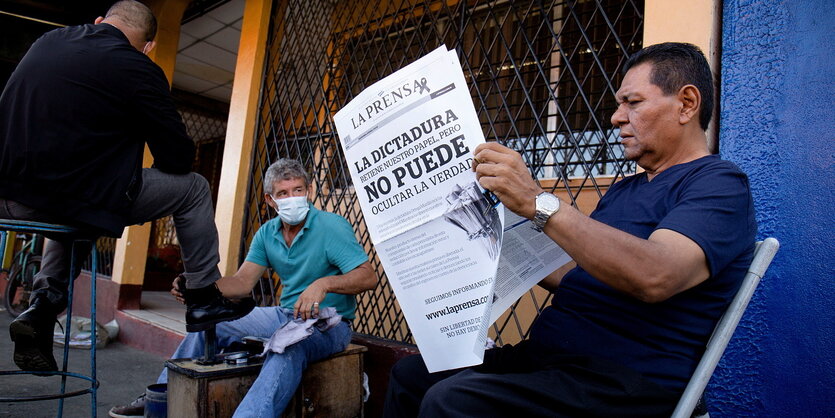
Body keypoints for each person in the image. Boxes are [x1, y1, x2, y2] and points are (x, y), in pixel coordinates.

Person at [383, 42, 757, 417]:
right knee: (413, 375)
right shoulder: (626, 188)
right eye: (618, 104)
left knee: (453, 401)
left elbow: (656, 273)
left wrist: (538, 202)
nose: (616, 117)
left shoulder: (718, 184)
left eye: (633, 102)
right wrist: (486, 236)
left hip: (624, 382)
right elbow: (580, 274)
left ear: (687, 104)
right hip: (553, 361)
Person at [0, 1, 253, 373]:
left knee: (78, 209)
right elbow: (178, 158)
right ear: (148, 45)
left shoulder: (47, 41)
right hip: (70, 195)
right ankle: (202, 295)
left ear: (100, 21)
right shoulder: (139, 68)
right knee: (193, 188)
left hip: (8, 195)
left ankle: (41, 308)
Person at [109, 158, 377, 418]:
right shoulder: (267, 233)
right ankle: (162, 396)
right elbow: (241, 283)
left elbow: (367, 277)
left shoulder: (331, 226)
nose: (292, 198)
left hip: (329, 324)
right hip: (286, 316)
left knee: (288, 346)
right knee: (213, 323)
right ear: (270, 200)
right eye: (283, 193)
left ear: (308, 191)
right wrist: (197, 287)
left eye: (298, 190)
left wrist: (324, 283)